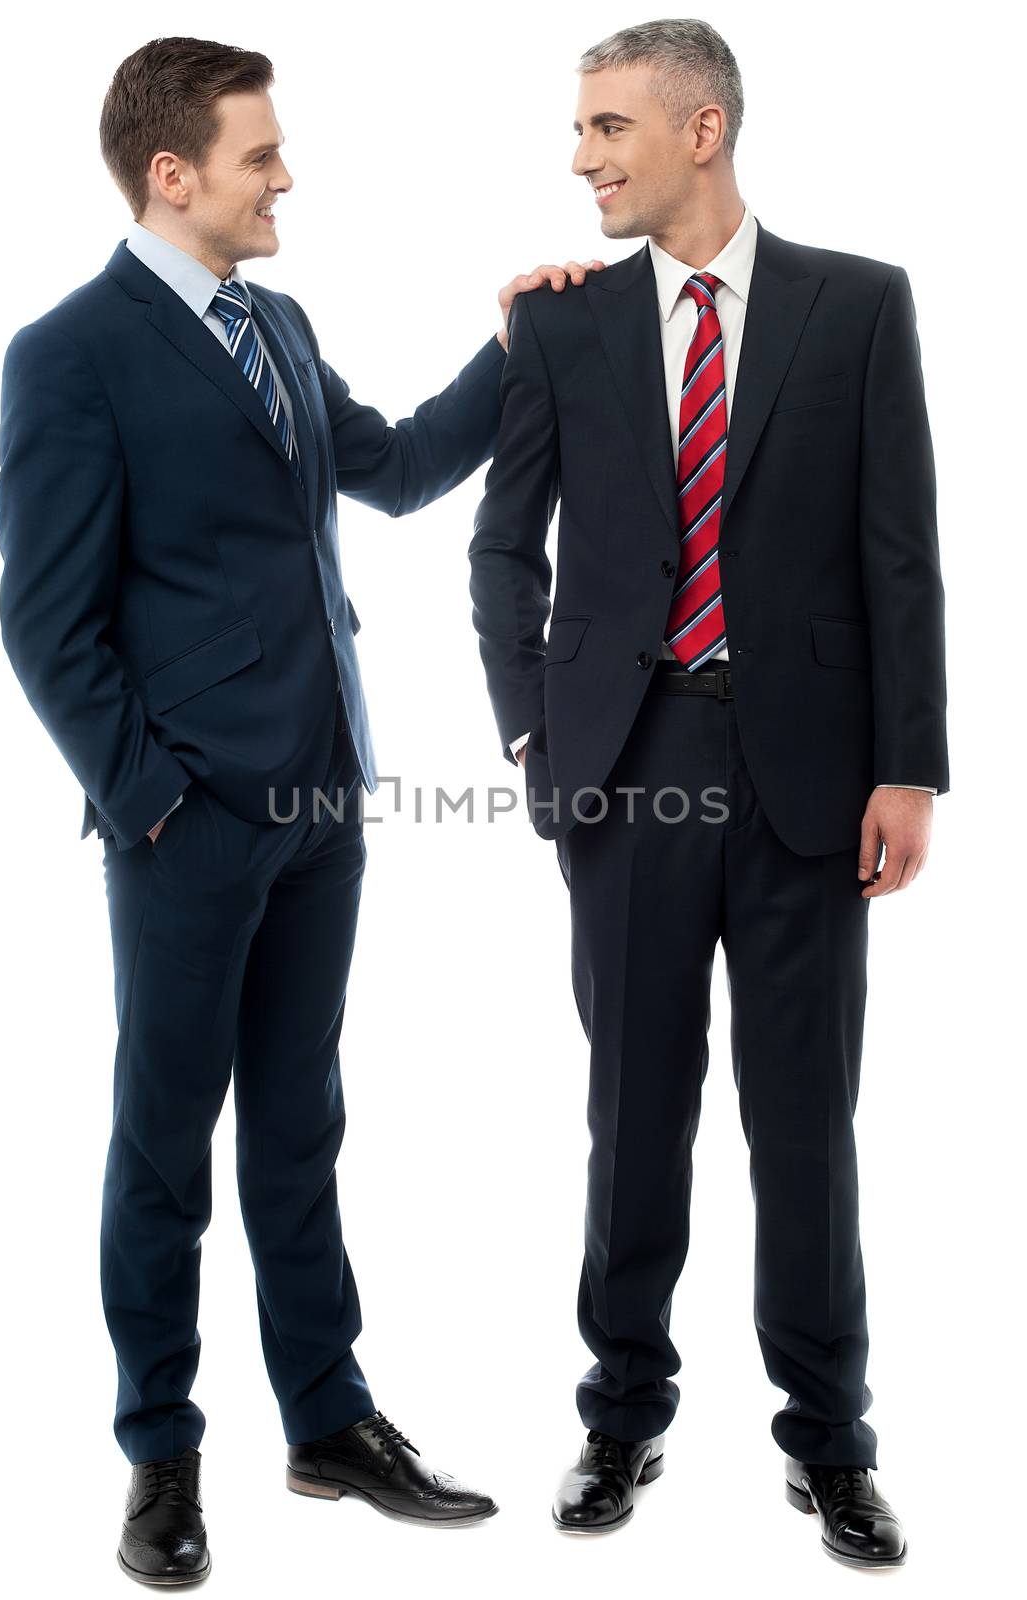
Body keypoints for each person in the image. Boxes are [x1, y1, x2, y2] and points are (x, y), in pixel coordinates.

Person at [0, 34, 602, 1586]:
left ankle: (325, 1420)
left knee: (301, 1127)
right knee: (161, 1149)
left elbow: (391, 473)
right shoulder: (70, 355)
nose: (288, 180)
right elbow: (46, 627)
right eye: (262, 157)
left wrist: (513, 346)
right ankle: (159, 1454)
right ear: (172, 174)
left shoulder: (277, 322)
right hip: (188, 820)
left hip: (326, 794)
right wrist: (150, 808)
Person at [469, 17, 947, 1565]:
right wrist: (533, 733)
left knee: (804, 1124)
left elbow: (900, 556)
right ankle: (621, 1416)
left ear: (701, 130)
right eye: (578, 129)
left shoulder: (857, 305)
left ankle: (831, 1442)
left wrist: (908, 769)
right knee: (634, 1114)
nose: (578, 157)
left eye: (607, 127)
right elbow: (500, 549)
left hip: (811, 777)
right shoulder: (559, 325)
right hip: (625, 767)